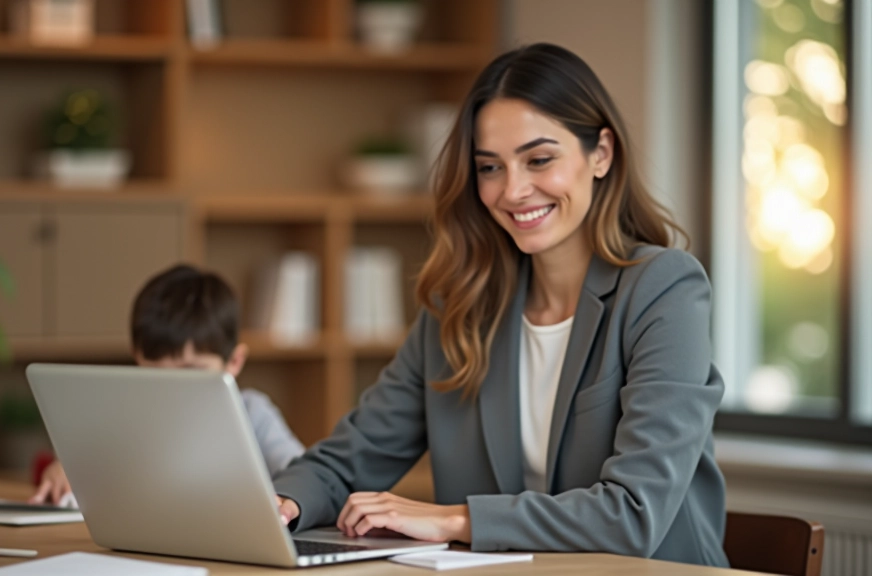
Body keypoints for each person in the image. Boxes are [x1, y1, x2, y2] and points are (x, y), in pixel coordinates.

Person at [271, 43, 729, 567]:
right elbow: (347, 462)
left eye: (539, 160)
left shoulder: (663, 288)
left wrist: (454, 520)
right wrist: (283, 505)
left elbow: (633, 513)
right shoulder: (460, 306)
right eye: (490, 167)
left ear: (601, 154)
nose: (512, 190)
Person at [30, 264, 305, 505]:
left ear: (234, 362)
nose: (174, 389)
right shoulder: (120, 415)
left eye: (191, 372)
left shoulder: (253, 413)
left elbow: (303, 476)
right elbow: (82, 463)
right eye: (157, 373)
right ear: (136, 356)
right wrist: (64, 470)